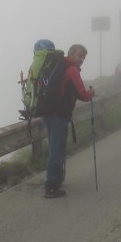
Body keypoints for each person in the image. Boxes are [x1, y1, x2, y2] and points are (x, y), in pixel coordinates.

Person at [43, 44, 94, 199]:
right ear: (71, 54)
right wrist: (92, 92)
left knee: (55, 148)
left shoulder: (60, 67)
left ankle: (56, 180)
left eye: (83, 57)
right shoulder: (71, 70)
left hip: (49, 113)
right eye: (79, 56)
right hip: (59, 115)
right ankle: (52, 186)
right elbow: (84, 95)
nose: (81, 60)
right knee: (57, 150)